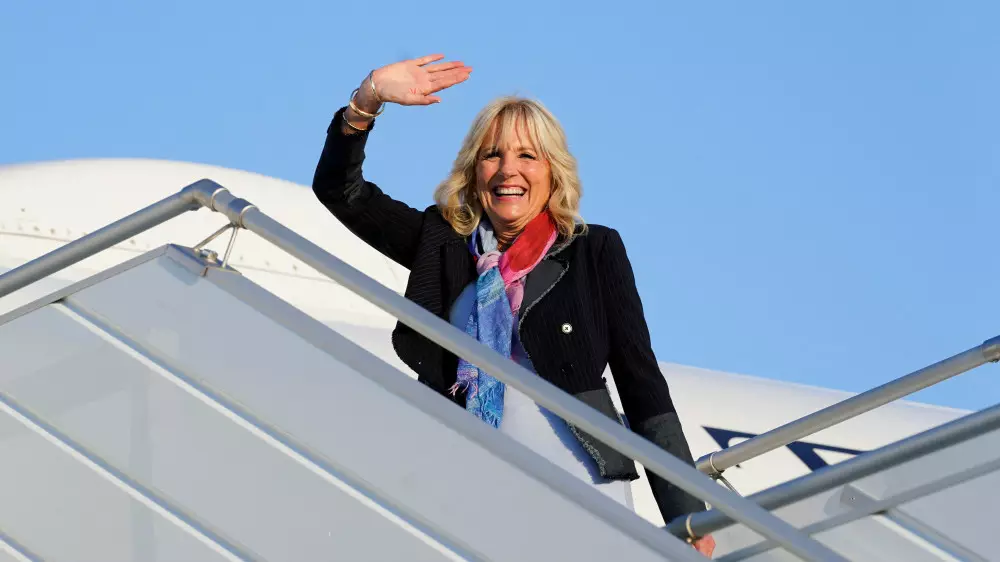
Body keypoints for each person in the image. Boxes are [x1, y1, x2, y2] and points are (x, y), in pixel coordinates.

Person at [312, 54, 715, 556]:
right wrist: (367, 99)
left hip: (581, 486)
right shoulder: (441, 244)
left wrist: (687, 516)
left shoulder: (594, 250)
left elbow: (641, 384)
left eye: (528, 155)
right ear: (472, 171)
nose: (508, 170)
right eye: (492, 155)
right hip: (462, 484)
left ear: (553, 172)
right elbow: (341, 192)